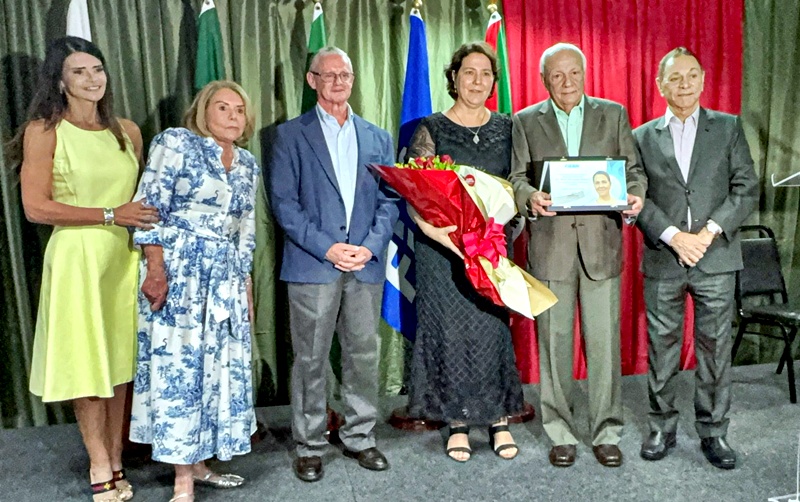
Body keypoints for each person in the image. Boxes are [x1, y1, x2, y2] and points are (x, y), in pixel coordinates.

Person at [16, 36, 157, 501]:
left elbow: (143, 204)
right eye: (79, 71)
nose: (92, 79)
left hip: (124, 258)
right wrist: (110, 215)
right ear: (59, 80)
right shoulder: (45, 130)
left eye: (97, 69)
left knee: (119, 365)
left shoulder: (128, 131)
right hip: (78, 259)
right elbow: (36, 207)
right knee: (87, 365)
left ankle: (115, 456)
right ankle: (99, 463)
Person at [509, 42, 647, 468]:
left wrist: (636, 197)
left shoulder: (614, 113)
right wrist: (530, 197)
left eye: (573, 74)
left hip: (601, 247)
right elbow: (515, 177)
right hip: (550, 249)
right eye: (556, 75)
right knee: (554, 345)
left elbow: (634, 171)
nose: (566, 83)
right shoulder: (525, 120)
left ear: (585, 75)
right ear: (544, 79)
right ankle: (560, 431)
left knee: (605, 345)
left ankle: (607, 430)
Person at [269, 47, 398, 482]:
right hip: (313, 265)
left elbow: (390, 200)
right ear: (312, 80)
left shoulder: (378, 137)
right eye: (330, 75)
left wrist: (370, 246)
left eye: (346, 74)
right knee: (310, 358)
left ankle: (361, 436)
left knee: (364, 353)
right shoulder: (288, 136)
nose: (339, 82)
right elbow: (284, 204)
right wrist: (329, 248)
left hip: (365, 263)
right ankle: (310, 443)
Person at [129, 80, 259, 501]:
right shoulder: (177, 143)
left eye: (239, 109)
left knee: (216, 370)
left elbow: (245, 231)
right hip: (179, 272)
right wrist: (155, 269)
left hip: (224, 277)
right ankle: (182, 479)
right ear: (203, 111)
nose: (233, 116)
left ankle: (202, 465)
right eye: (223, 108)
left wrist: (244, 290)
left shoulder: (247, 164)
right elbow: (149, 208)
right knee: (180, 373)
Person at [634, 47, 758, 470]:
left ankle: (713, 432)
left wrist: (706, 233)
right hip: (664, 258)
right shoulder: (641, 136)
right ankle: (661, 427)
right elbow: (637, 197)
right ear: (660, 84)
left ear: (704, 80)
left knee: (714, 348)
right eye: (675, 78)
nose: (684, 85)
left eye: (691, 76)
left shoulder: (728, 128)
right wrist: (673, 237)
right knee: (662, 348)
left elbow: (746, 187)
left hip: (716, 257)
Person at [405, 41, 524, 463]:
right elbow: (416, 200)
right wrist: (452, 240)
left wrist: (498, 236)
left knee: (493, 330)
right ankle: (456, 423)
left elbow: (519, 188)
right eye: (468, 72)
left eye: (485, 74)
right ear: (453, 77)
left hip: (491, 250)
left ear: (494, 82)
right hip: (443, 251)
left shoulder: (510, 128)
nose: (477, 80)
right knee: (450, 333)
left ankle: (497, 420)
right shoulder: (430, 129)